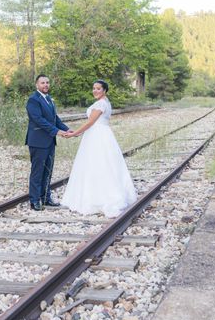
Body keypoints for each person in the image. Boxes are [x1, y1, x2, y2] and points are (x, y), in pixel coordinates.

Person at [61, 80, 137, 217]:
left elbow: (90, 122)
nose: (95, 91)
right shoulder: (106, 102)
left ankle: (100, 198)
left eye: (98, 89)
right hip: (102, 135)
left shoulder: (101, 104)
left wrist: (74, 133)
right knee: (103, 165)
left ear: (104, 91)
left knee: (97, 164)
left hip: (97, 136)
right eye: (94, 88)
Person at [25, 74, 72, 211]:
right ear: (37, 85)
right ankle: (34, 201)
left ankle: (46, 198)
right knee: (37, 172)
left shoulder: (49, 100)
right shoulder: (33, 100)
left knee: (48, 171)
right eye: (42, 83)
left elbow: (54, 119)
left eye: (47, 82)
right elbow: (39, 120)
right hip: (38, 141)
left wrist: (67, 129)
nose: (45, 85)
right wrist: (57, 132)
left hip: (50, 141)